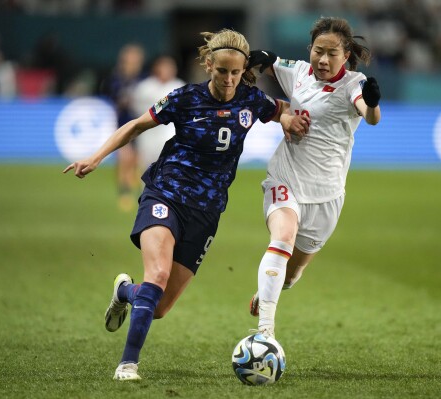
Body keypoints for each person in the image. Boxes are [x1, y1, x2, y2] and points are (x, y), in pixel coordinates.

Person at [63, 28, 308, 381]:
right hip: (166, 193)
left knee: (158, 307)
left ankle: (124, 291)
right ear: (209, 65)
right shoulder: (184, 99)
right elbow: (135, 126)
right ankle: (128, 364)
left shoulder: (250, 100)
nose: (228, 79)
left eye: (236, 73)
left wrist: (286, 119)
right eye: (222, 71)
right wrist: (97, 157)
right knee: (158, 274)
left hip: (205, 213)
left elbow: (280, 110)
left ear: (243, 71)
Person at [246, 16, 382, 338]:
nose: (322, 60)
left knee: (292, 274)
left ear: (345, 55)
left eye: (331, 53)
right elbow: (270, 62)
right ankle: (265, 333)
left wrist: (374, 104)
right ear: (310, 49)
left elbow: (370, 116)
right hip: (286, 177)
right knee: (283, 237)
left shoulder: (353, 84)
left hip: (326, 195)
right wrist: (254, 57)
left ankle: (271, 288)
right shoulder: (299, 72)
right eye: (317, 51)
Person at [104, 43, 147, 211]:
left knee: (137, 159)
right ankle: (124, 193)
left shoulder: (144, 79)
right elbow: (113, 97)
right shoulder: (116, 79)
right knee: (125, 158)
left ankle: (138, 191)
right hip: (123, 124)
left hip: (141, 125)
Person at [130, 54, 185, 168]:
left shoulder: (179, 87)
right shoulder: (145, 87)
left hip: (170, 132)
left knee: (169, 169)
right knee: (147, 169)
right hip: (148, 134)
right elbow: (135, 109)